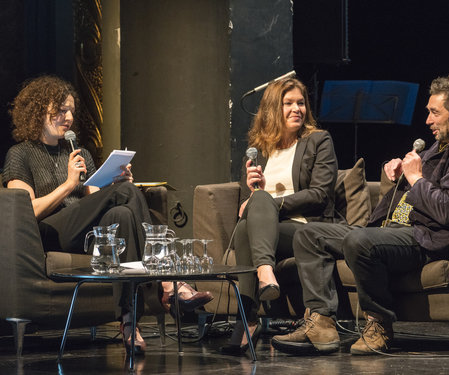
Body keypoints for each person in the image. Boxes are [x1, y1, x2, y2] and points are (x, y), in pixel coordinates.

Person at [2, 75, 212, 354]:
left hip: (85, 234)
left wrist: (116, 184)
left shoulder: (79, 153)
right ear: (39, 110)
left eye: (71, 111)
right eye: (61, 110)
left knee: (123, 212)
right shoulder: (21, 154)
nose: (68, 117)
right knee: (122, 197)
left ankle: (128, 322)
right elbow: (26, 211)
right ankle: (166, 281)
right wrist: (68, 185)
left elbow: (97, 206)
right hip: (48, 233)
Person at [271, 73, 449, 355]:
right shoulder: (438, 146)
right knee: (310, 235)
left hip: (421, 238)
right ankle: (320, 322)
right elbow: (418, 187)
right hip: (388, 229)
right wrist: (398, 177)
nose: (428, 120)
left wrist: (416, 178)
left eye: (434, 113)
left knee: (361, 241)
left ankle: (379, 323)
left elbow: (446, 209)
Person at [220, 77, 338, 355]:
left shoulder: (318, 141)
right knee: (248, 221)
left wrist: (270, 202)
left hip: (307, 229)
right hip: (266, 230)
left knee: (253, 216)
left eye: (300, 103)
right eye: (288, 104)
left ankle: (248, 317)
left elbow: (320, 194)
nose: (297, 109)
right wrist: (252, 193)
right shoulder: (259, 151)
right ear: (273, 109)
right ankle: (263, 278)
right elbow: (246, 206)